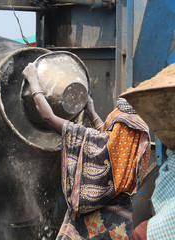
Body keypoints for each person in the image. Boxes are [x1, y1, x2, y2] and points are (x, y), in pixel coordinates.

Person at [22, 62, 151, 239]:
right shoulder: (134, 143)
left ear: (117, 129)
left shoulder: (95, 143)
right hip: (118, 227)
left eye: (112, 126)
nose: (108, 129)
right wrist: (91, 112)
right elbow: (109, 140)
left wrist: (33, 80)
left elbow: (48, 117)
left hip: (89, 229)